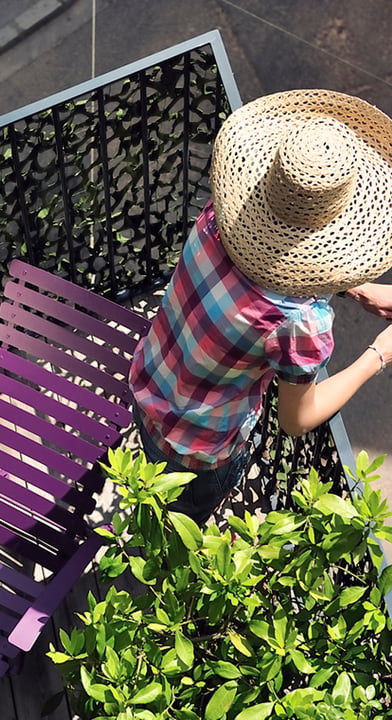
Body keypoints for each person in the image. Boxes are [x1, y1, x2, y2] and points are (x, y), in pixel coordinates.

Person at [130, 89, 392, 525]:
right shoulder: (299, 323)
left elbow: (266, 265)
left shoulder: (218, 220)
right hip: (199, 455)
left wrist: (359, 288)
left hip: (149, 387)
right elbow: (297, 418)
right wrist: (379, 354)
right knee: (181, 524)